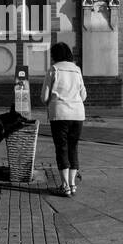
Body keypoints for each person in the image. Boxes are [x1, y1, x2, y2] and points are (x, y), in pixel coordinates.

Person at [42, 41, 87, 196]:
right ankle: (73, 184)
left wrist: (51, 102)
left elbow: (44, 96)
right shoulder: (77, 70)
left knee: (61, 148)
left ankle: (65, 185)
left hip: (60, 114)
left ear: (54, 56)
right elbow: (84, 95)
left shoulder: (53, 70)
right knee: (73, 147)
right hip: (77, 114)